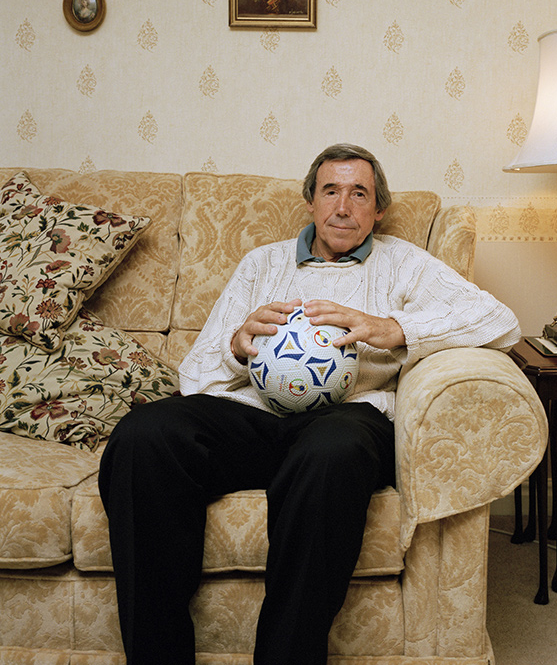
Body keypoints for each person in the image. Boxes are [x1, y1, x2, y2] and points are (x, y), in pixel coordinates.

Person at [99, 143, 520, 665]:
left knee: (331, 451)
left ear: (378, 209)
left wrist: (391, 328)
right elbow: (195, 375)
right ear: (310, 202)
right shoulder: (262, 263)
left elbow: (500, 321)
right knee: (145, 433)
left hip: (345, 421)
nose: (343, 207)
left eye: (359, 193)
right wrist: (237, 345)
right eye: (330, 191)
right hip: (254, 419)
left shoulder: (404, 265)